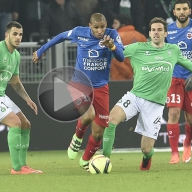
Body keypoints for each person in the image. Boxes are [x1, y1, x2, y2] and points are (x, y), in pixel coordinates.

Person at [107, 17, 192, 171]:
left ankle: (147, 158)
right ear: (149, 33)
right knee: (111, 119)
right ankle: (105, 160)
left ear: (166, 33)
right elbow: (118, 54)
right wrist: (111, 47)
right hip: (135, 96)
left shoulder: (173, 51)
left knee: (145, 149)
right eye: (153, 30)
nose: (156, 33)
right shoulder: (137, 48)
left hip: (155, 105)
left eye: (160, 30)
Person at [33, 13, 124, 171]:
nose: (100, 30)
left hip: (101, 87)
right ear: (90, 26)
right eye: (96, 27)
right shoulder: (79, 33)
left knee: (98, 134)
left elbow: (121, 57)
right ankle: (77, 137)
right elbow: (61, 36)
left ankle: (85, 160)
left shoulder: (112, 35)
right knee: (88, 115)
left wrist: (112, 47)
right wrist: (41, 50)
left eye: (102, 27)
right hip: (80, 83)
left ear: (106, 24)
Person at [0, 21, 43, 175]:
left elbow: (15, 82)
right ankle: (16, 169)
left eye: (20, 34)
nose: (18, 37)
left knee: (25, 124)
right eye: (15, 34)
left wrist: (27, 99)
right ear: (7, 35)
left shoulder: (16, 55)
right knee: (15, 123)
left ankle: (23, 166)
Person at [165, 0, 192, 164]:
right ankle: (174, 153)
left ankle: (187, 142)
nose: (181, 12)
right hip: (174, 78)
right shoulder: (167, 31)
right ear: (174, 12)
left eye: (184, 9)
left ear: (189, 11)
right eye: (178, 9)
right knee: (173, 113)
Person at [110, 14, 147, 81]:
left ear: (123, 24)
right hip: (139, 78)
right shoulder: (141, 36)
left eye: (115, 23)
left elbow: (115, 59)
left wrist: (129, 74)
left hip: (120, 78)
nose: (113, 25)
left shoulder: (116, 38)